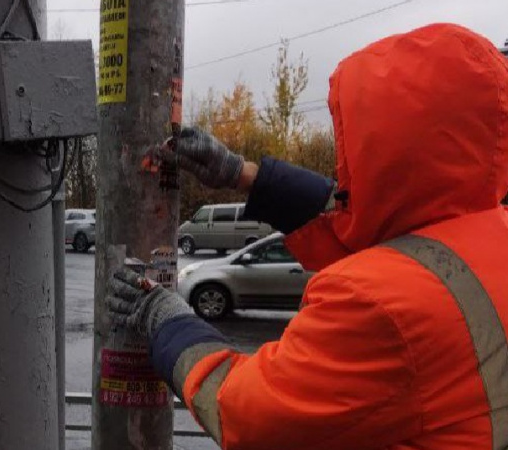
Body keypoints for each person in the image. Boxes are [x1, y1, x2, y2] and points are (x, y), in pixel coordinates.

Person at [107, 23, 508, 449]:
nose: (342, 167)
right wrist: (242, 174)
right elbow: (383, 232)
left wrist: (169, 322)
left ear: (381, 152)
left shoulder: (381, 304)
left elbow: (244, 411)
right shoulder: (486, 233)